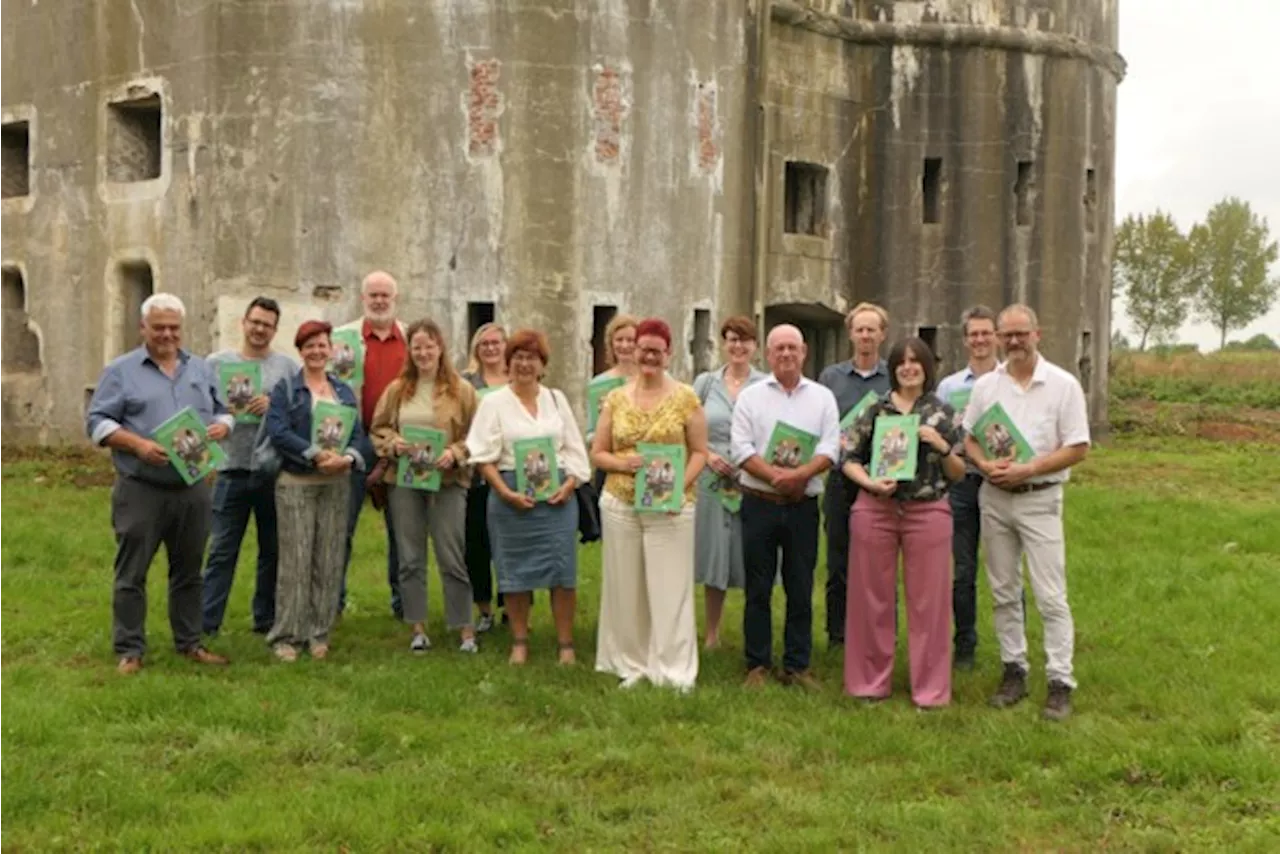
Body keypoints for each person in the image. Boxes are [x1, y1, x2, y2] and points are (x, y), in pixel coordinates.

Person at [85, 293, 232, 674]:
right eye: (159, 327)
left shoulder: (200, 369)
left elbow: (222, 410)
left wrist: (223, 426)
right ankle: (130, 649)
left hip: (194, 486)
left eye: (174, 328)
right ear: (143, 328)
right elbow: (98, 422)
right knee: (132, 572)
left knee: (189, 570)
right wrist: (137, 445)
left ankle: (190, 643)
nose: (167, 334)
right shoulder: (120, 371)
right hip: (141, 487)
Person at [963, 304, 1090, 721]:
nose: (1013, 341)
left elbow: (1078, 447)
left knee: (1050, 594)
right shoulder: (987, 386)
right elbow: (971, 438)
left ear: (1038, 333)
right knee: (1003, 590)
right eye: (1007, 335)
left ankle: (1059, 681)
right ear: (999, 337)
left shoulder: (1063, 385)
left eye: (1021, 333)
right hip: (996, 497)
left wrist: (1030, 468)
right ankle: (1013, 670)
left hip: (1040, 497)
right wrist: (984, 466)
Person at [841, 337, 965, 708]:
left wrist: (941, 446)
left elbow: (959, 472)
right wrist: (868, 482)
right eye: (901, 362)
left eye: (916, 361)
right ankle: (868, 684)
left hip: (927, 512)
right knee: (871, 599)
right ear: (892, 368)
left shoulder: (943, 413)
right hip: (875, 510)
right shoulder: (875, 411)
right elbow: (847, 456)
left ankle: (930, 690)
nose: (908, 367)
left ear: (927, 367)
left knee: (930, 603)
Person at [591, 318, 709, 690]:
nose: (650, 357)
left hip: (671, 507)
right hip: (621, 503)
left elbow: (700, 453)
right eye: (644, 350)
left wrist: (678, 488)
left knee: (670, 587)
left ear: (668, 354)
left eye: (657, 351)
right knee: (626, 589)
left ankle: (674, 671)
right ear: (633, 351)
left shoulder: (686, 397)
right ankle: (632, 665)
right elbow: (598, 453)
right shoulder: (615, 398)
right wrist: (622, 464)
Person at [465, 329, 591, 665]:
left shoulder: (556, 399)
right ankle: (519, 641)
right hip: (510, 495)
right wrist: (505, 492)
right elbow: (481, 456)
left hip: (557, 498)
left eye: (531, 358)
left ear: (542, 364)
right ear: (509, 363)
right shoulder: (493, 402)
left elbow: (574, 448)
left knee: (562, 572)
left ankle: (566, 645)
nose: (524, 364)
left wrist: (569, 485)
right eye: (518, 357)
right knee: (514, 571)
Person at [729, 324, 840, 689]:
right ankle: (757, 664)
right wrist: (775, 477)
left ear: (804, 352)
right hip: (759, 502)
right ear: (768, 354)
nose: (786, 354)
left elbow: (829, 449)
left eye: (793, 348)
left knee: (800, 585)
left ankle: (797, 665)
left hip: (802, 505)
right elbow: (741, 448)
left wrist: (800, 476)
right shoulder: (750, 397)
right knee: (758, 587)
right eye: (779, 349)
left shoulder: (823, 397)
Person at [264, 320, 373, 662]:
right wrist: (313, 455)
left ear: (331, 349)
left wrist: (348, 458)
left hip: (336, 483)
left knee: (327, 559)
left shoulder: (343, 391)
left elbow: (359, 435)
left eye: (322, 345)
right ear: (300, 350)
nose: (316, 351)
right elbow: (278, 431)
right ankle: (287, 635)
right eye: (309, 345)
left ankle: (319, 632)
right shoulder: (287, 388)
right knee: (296, 560)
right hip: (297, 482)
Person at [370, 319, 479, 654]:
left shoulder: (462, 390)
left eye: (429, 345)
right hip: (405, 482)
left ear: (440, 347)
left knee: (451, 555)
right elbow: (379, 429)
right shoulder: (397, 389)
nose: (423, 353)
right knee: (409, 556)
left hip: (448, 482)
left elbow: (480, 435)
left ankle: (465, 629)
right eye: (416, 346)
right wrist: (394, 444)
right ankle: (417, 627)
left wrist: (455, 452)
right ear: (410, 350)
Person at [200, 297, 297, 637]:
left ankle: (266, 619)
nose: (259, 329)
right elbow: (200, 408)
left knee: (272, 550)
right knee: (222, 549)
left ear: (274, 330)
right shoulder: (215, 364)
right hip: (230, 467)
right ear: (243, 323)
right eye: (255, 322)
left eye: (267, 325)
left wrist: (274, 405)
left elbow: (300, 412)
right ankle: (206, 623)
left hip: (272, 470)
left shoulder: (287, 368)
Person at [817, 302, 891, 648]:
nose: (865, 335)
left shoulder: (893, 377)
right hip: (840, 480)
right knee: (838, 560)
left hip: (883, 481)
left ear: (882, 335)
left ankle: (877, 631)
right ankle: (838, 634)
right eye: (859, 329)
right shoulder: (831, 378)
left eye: (871, 329)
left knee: (880, 564)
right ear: (850, 334)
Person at [691, 316, 767, 649]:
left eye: (745, 340)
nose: (738, 346)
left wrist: (749, 459)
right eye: (732, 339)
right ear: (723, 343)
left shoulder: (766, 385)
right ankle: (711, 633)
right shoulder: (705, 384)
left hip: (751, 477)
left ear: (755, 346)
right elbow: (688, 429)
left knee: (752, 553)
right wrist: (707, 455)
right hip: (711, 479)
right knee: (714, 553)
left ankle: (755, 630)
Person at [336, 271, 408, 618]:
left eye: (386, 295)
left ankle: (403, 603)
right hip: (354, 440)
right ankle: (333, 601)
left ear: (396, 299)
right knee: (342, 525)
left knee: (402, 529)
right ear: (362, 298)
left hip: (399, 443)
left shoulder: (410, 338)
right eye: (373, 295)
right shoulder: (343, 338)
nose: (379, 301)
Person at [935, 305, 999, 671]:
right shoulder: (949, 387)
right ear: (965, 340)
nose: (979, 340)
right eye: (973, 334)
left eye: (985, 333)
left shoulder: (1010, 381)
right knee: (962, 571)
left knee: (1005, 569)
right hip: (960, 484)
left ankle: (1013, 649)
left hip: (1000, 483)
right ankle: (965, 646)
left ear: (996, 337)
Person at [460, 322, 508, 631]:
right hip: (475, 473)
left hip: (509, 469)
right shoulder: (465, 382)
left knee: (511, 543)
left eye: (496, 343)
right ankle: (484, 610)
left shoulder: (518, 378)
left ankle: (512, 609)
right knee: (476, 543)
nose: (490, 348)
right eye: (484, 343)